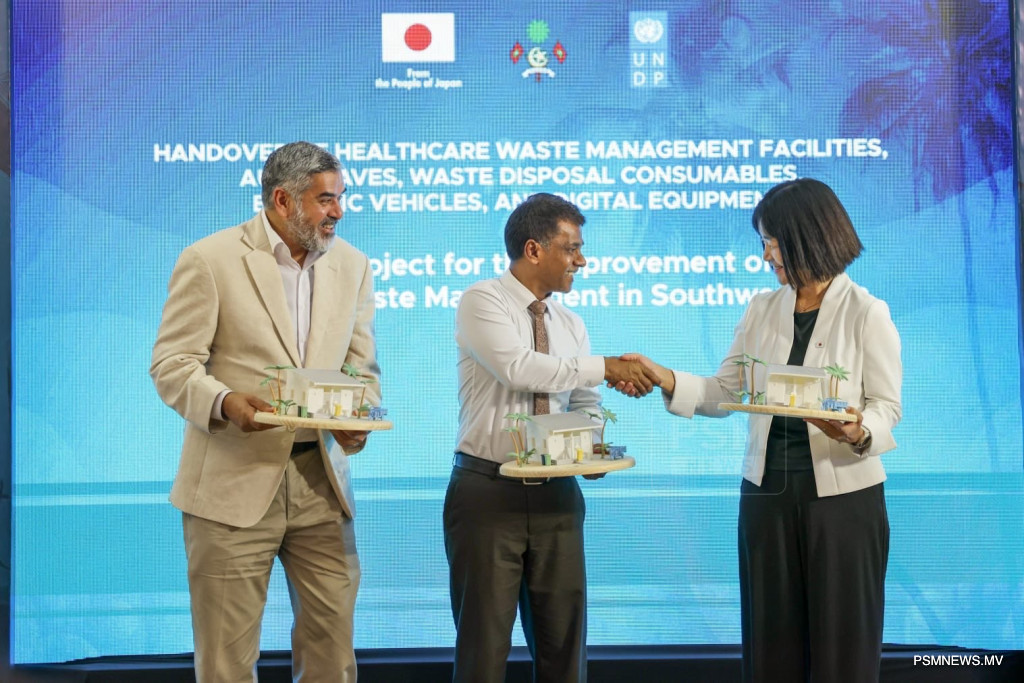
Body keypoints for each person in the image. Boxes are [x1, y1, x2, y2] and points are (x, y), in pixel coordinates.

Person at [621, 178, 901, 682]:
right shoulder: (761, 309)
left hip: (843, 504)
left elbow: (887, 407)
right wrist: (664, 377)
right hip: (766, 498)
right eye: (764, 243)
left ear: (806, 237)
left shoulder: (866, 312)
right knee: (772, 649)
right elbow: (725, 392)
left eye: (771, 242)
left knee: (843, 652)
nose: (766, 255)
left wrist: (857, 431)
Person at [150, 141, 379, 682]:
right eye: (325, 200)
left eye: (340, 197)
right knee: (226, 663)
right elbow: (172, 364)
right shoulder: (210, 259)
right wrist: (225, 402)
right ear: (282, 200)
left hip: (321, 483)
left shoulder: (352, 265)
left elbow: (361, 368)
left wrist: (359, 417)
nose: (338, 211)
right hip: (232, 481)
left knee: (333, 657)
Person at [443, 192, 658, 683]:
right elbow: (520, 369)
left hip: (558, 496)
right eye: (572, 248)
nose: (581, 261)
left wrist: (592, 446)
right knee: (483, 653)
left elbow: (585, 402)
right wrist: (606, 366)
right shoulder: (482, 300)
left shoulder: (571, 323)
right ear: (534, 249)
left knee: (565, 652)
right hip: (488, 493)